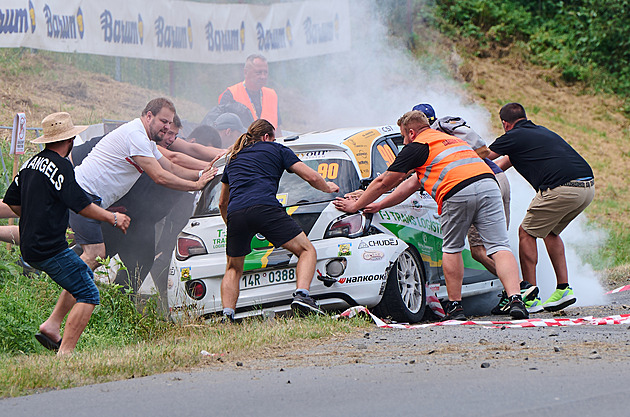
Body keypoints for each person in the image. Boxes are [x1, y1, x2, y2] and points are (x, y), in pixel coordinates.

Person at [333, 111, 528, 320]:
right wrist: (379, 205)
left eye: (404, 137)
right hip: (490, 184)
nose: (404, 143)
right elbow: (409, 186)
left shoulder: (418, 146)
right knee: (499, 246)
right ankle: (516, 299)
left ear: (411, 132)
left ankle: (455, 307)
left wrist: (356, 206)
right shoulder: (450, 141)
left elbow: (385, 182)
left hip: (456, 189)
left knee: (452, 248)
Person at [3, 112, 130, 355]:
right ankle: (66, 354)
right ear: (70, 140)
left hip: (30, 246)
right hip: (49, 248)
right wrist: (112, 217)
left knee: (81, 273)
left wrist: (38, 214)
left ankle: (51, 327)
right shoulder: (62, 166)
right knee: (88, 292)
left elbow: (13, 202)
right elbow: (81, 205)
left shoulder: (30, 164)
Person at [412, 103, 540, 314]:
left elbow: (414, 178)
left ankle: (521, 290)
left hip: (474, 182)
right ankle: (514, 293)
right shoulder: (450, 131)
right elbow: (485, 152)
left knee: (479, 250)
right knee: (498, 245)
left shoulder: (427, 141)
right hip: (495, 176)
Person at [69, 97, 214, 272]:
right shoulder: (135, 135)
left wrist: (202, 174)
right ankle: (70, 290)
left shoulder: (147, 141)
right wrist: (196, 185)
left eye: (169, 123)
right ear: (149, 116)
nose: (167, 127)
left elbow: (171, 168)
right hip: (82, 194)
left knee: (96, 254)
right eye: (163, 121)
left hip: (91, 199)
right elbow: (160, 176)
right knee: (94, 255)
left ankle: (70, 290)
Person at [218, 119, 339, 321]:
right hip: (265, 206)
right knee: (306, 250)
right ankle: (302, 296)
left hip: (236, 212)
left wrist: (231, 224)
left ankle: (227, 315)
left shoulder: (235, 158)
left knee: (233, 267)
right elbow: (311, 177)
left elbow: (223, 202)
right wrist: (328, 187)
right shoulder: (278, 149)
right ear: (267, 137)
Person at [488, 102, 595, 312]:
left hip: (561, 188)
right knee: (550, 232)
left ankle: (530, 295)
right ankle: (563, 289)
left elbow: (482, 158)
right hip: (586, 188)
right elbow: (499, 165)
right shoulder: (539, 132)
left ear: (505, 124)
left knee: (526, 233)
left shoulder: (513, 137)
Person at [219, 54, 281, 131]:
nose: (263, 77)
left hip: (270, 142)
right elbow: (223, 132)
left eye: (265, 72)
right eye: (258, 72)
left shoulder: (272, 95)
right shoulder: (230, 95)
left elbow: (277, 129)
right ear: (246, 72)